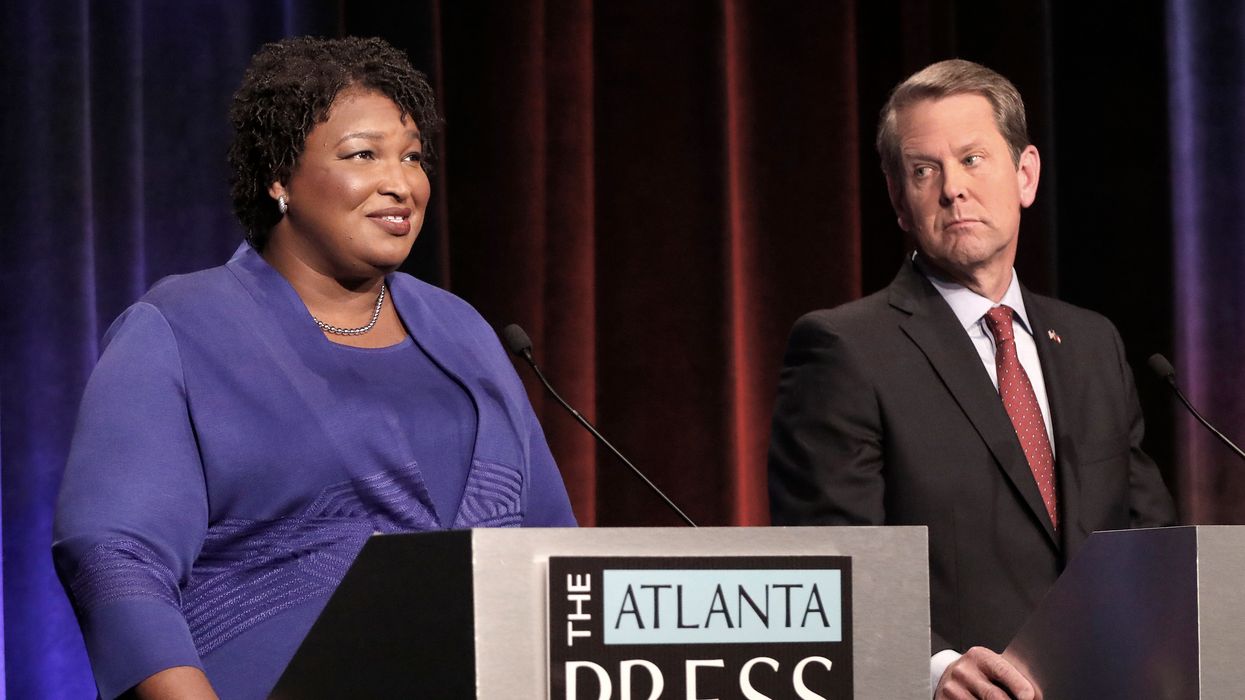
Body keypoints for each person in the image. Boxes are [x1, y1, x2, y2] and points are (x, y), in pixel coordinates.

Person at [53, 36, 576, 700]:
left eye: (412, 157)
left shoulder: (462, 331)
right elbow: (114, 558)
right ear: (279, 177)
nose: (401, 182)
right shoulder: (183, 328)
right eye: (363, 155)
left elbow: (551, 555)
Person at [767, 59, 1176, 699]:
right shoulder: (846, 349)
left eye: (973, 159)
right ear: (900, 201)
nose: (952, 188)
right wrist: (931, 670)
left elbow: (1147, 542)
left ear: (1026, 174)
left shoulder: (1093, 343)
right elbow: (830, 566)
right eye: (924, 171)